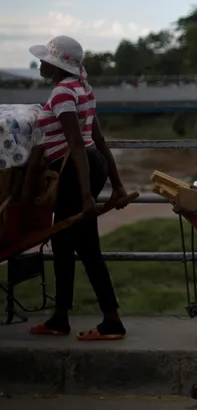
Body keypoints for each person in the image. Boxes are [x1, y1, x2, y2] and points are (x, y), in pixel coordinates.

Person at [28, 35, 131, 341]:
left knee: (74, 246)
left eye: (46, 59)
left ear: (56, 65)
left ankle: (84, 320)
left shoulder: (61, 93)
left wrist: (86, 195)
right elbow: (97, 140)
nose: (42, 64)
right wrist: (117, 185)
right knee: (77, 247)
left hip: (77, 172)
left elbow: (76, 144)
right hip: (91, 165)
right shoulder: (81, 88)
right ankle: (80, 318)